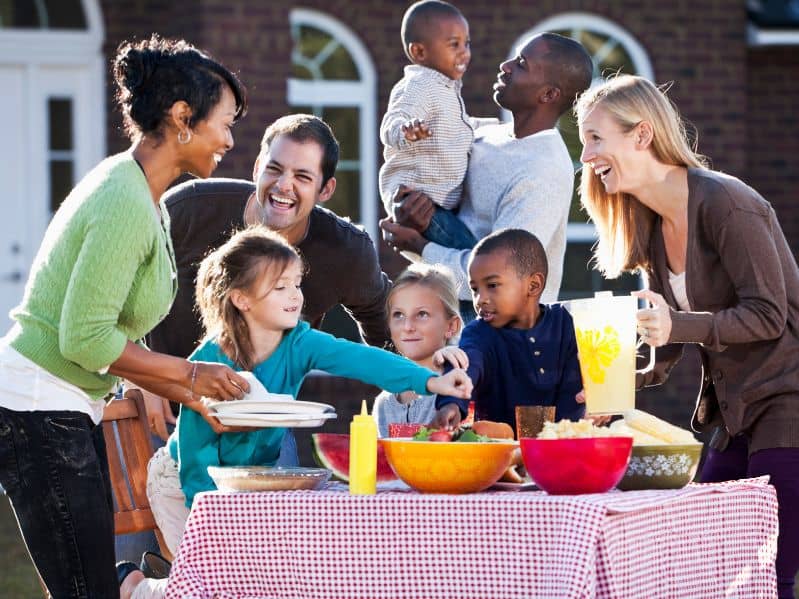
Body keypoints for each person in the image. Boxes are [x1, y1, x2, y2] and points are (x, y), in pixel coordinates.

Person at [0, 35, 251, 598]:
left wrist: (188, 393)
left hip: (61, 409)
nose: (230, 140)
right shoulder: (124, 200)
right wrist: (187, 375)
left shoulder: (144, 195)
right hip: (39, 410)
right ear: (183, 118)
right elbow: (85, 337)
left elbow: (104, 334)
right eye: (225, 123)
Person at [120, 226, 473, 598]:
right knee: (206, 589)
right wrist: (206, 513)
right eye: (280, 287)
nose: (295, 296)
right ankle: (135, 587)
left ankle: (155, 581)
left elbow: (362, 359)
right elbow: (196, 446)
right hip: (183, 482)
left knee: (243, 586)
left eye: (296, 284)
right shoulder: (212, 359)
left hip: (246, 483)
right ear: (242, 299)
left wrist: (430, 383)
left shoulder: (300, 342)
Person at [576, 74, 799, 599]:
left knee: (771, 572)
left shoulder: (728, 204)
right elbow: (668, 343)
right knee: (708, 567)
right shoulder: (652, 225)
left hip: (787, 404)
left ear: (641, 135)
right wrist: (613, 390)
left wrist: (677, 324)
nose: (585, 156)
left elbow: (768, 316)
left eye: (594, 138)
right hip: (732, 414)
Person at [146, 114, 393, 461]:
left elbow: (389, 330)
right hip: (165, 413)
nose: (283, 186)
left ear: (325, 190)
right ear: (258, 166)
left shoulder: (346, 250)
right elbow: (117, 289)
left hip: (264, 422)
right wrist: (138, 379)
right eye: (275, 169)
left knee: (278, 514)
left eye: (303, 177)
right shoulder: (189, 208)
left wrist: (424, 389)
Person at [380, 32, 593, 320]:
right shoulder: (482, 135)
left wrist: (418, 246)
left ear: (548, 94)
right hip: (450, 311)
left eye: (521, 64)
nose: (505, 66)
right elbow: (441, 212)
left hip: (502, 336)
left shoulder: (545, 170)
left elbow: (503, 275)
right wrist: (407, 212)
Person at [432, 228, 584, 431]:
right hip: (500, 453)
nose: (480, 299)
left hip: (565, 447)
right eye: (475, 289)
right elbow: (466, 364)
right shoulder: (480, 333)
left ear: (533, 286)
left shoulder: (566, 325)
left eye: (492, 285)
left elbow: (586, 378)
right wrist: (451, 403)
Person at [379, 0, 478, 251]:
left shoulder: (446, 87)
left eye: (466, 44)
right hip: (419, 203)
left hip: (440, 200)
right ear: (420, 53)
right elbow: (393, 120)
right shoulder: (420, 85)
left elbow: (456, 128)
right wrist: (405, 131)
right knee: (472, 253)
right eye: (453, 44)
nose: (464, 52)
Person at [373, 263, 468, 437]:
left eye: (422, 314)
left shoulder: (462, 387)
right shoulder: (384, 402)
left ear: (451, 326)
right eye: (399, 315)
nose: (408, 326)